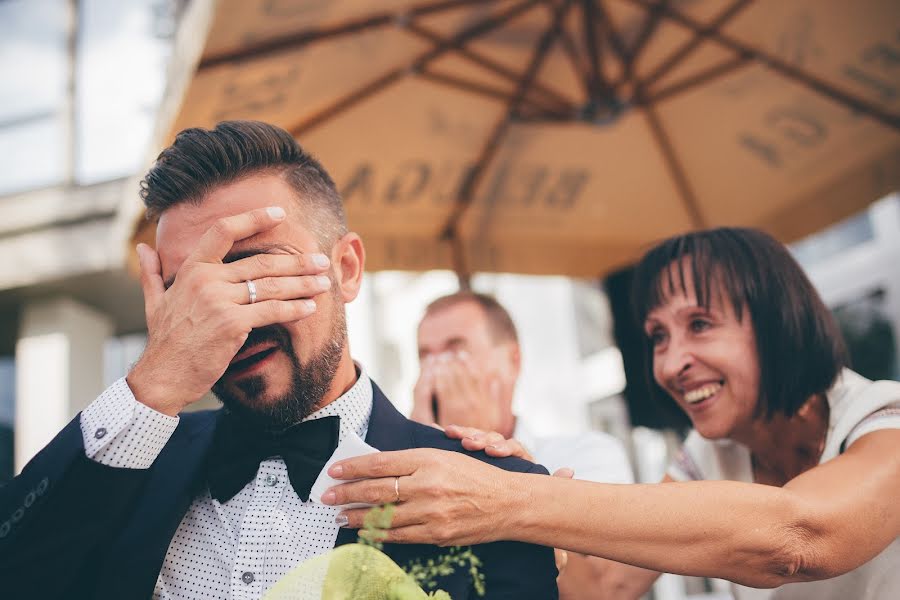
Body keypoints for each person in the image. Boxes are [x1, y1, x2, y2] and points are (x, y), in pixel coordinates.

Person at [0, 121, 559, 599]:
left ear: (346, 269)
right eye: (190, 292)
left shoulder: (495, 490)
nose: (226, 318)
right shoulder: (119, 471)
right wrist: (153, 381)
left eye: (257, 269)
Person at [323, 227, 900, 599]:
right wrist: (508, 481)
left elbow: (800, 536)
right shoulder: (710, 454)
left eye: (700, 325)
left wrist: (517, 498)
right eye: (657, 336)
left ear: (777, 322)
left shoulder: (884, 423)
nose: (672, 363)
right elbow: (608, 587)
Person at [413, 291, 633, 598]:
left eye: (455, 351)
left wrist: (477, 449)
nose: (437, 370)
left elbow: (597, 591)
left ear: (512, 361)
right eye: (426, 355)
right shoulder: (406, 461)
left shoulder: (587, 453)